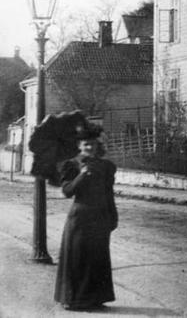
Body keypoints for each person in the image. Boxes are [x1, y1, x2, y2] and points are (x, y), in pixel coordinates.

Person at [54, 126, 118, 310]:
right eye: (86, 144)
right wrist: (81, 176)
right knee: (78, 257)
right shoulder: (72, 164)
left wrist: (113, 216)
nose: (90, 148)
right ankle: (73, 300)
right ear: (79, 146)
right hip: (80, 218)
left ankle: (96, 299)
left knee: (98, 257)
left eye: (93, 144)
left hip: (100, 217)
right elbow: (67, 191)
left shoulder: (106, 166)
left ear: (97, 145)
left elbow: (109, 193)